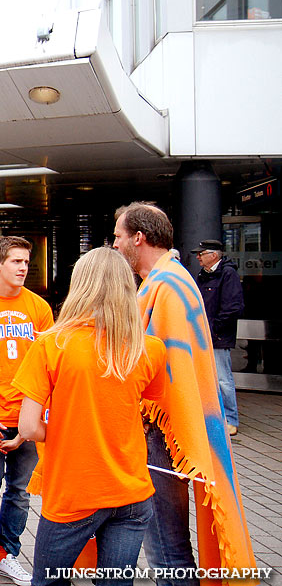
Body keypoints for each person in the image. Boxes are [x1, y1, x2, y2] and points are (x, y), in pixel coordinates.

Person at [112, 202, 256, 584]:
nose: (115, 245)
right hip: (168, 431)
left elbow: (156, 370)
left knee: (165, 545)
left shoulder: (167, 286)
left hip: (160, 434)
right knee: (168, 542)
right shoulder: (170, 280)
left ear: (138, 238)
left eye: (118, 236)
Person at [12, 247, 167, 586]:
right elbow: (149, 409)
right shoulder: (149, 348)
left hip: (74, 491)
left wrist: (65, 430)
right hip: (131, 491)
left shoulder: (53, 344)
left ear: (80, 285)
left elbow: (27, 426)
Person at [0, 236, 54, 585]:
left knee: (20, 493)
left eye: (25, 262)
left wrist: (29, 426)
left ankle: (8, 554)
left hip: (28, 420)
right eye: (16, 261)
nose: (23, 268)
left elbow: (51, 368)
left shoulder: (39, 308)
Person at [193, 239, 245, 436]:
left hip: (217, 337)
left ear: (213, 255)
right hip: (205, 336)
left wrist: (213, 329)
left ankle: (231, 420)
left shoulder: (227, 274)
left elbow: (233, 307)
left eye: (201, 253)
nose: (198, 257)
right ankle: (213, 417)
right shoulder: (205, 275)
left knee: (223, 379)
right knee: (208, 378)